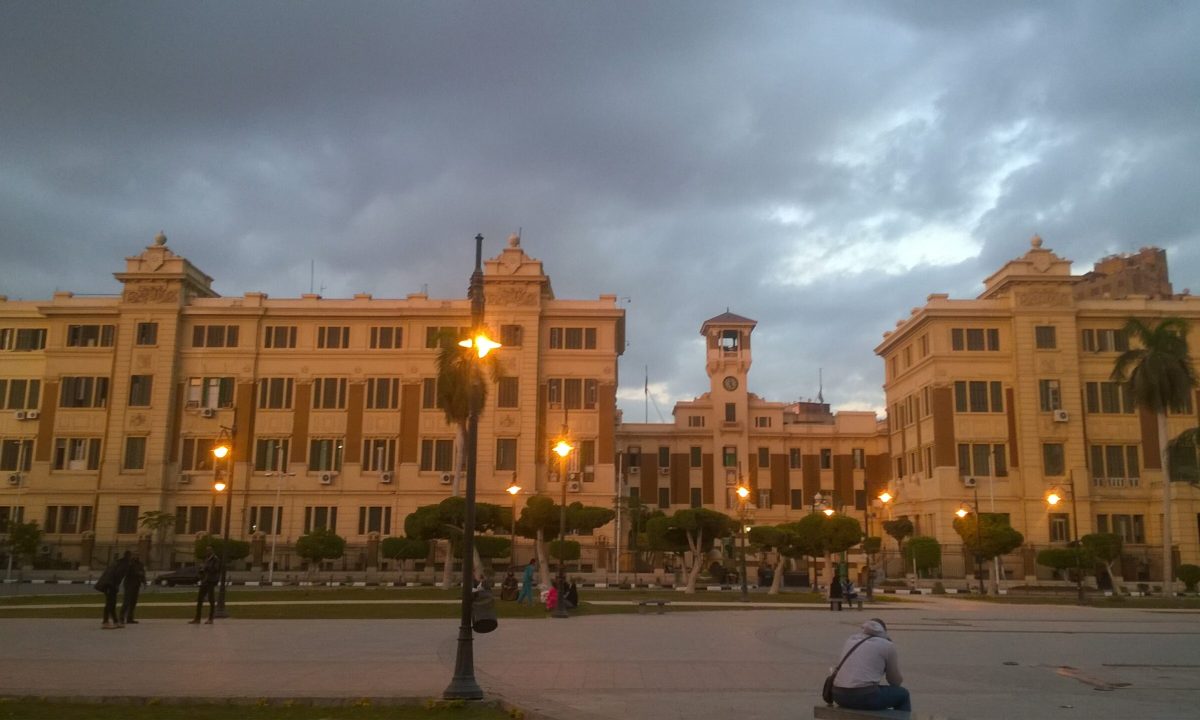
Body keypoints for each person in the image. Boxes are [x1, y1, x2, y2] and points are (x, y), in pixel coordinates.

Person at [830, 618, 910, 712]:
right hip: (865, 697)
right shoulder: (887, 645)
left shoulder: (851, 639)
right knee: (903, 694)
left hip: (838, 695)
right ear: (884, 631)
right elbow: (895, 681)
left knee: (875, 692)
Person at [96, 551, 131, 629]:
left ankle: (115, 621)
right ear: (129, 556)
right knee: (110, 603)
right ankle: (105, 622)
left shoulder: (117, 562)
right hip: (109, 584)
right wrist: (115, 586)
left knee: (112, 603)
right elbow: (117, 575)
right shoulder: (124, 564)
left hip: (107, 583)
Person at [190, 545, 221, 624]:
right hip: (205, 581)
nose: (207, 552)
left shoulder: (215, 559)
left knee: (211, 600)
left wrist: (206, 568)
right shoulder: (207, 559)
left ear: (212, 551)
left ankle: (211, 618)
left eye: (208, 550)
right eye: (206, 550)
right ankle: (197, 618)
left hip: (211, 581)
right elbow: (204, 570)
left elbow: (216, 569)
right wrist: (201, 571)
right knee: (200, 599)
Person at [121, 550, 147, 624]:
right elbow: (132, 572)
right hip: (129, 584)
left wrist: (144, 582)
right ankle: (121, 618)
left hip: (136, 584)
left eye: (138, 555)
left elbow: (142, 573)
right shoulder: (129, 563)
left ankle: (130, 618)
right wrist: (139, 573)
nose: (137, 556)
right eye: (135, 555)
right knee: (126, 601)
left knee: (133, 602)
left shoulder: (140, 564)